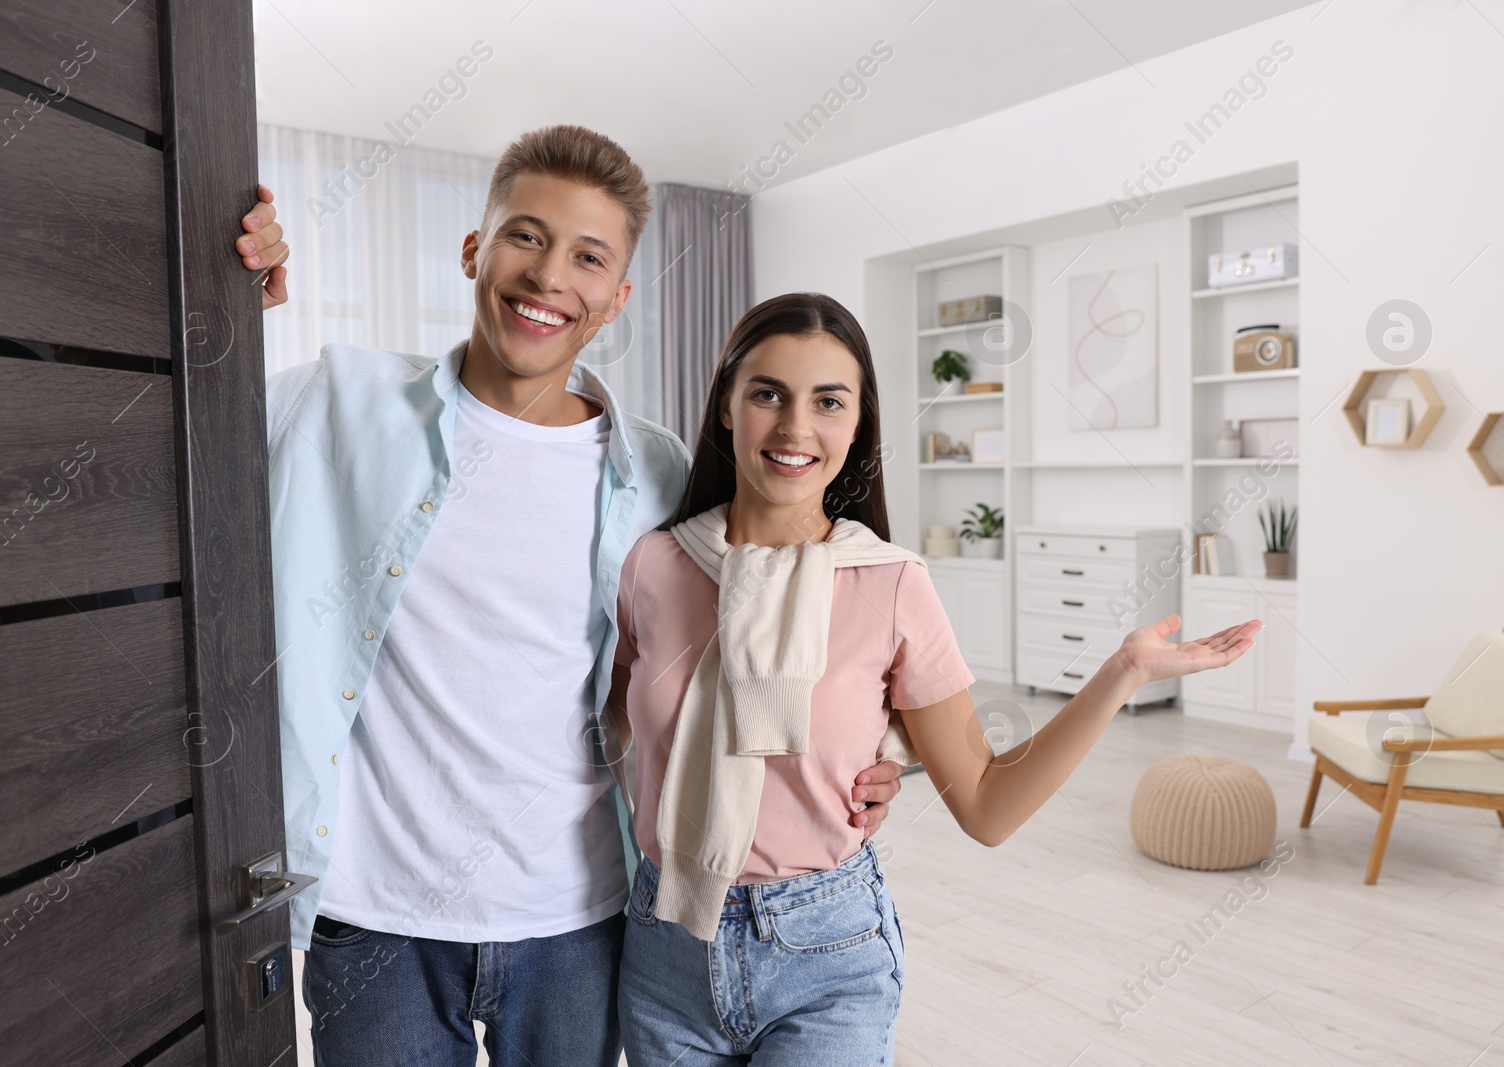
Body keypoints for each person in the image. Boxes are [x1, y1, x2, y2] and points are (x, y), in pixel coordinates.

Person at [231, 126, 907, 1066]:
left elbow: (781, 608)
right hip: (372, 920)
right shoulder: (339, 405)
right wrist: (232, 302)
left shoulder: (659, 472)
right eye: (525, 236)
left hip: (577, 922)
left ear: (617, 298)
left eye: (589, 256)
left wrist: (872, 756)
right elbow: (178, 436)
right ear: (475, 249)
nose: (550, 274)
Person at [607, 292, 1262, 1065]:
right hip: (664, 944)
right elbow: (618, 723)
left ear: (857, 426)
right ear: (726, 406)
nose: (794, 427)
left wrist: (1122, 674)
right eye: (767, 394)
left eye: (828, 401)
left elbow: (985, 804)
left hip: (825, 951)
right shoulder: (654, 562)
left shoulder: (891, 584)